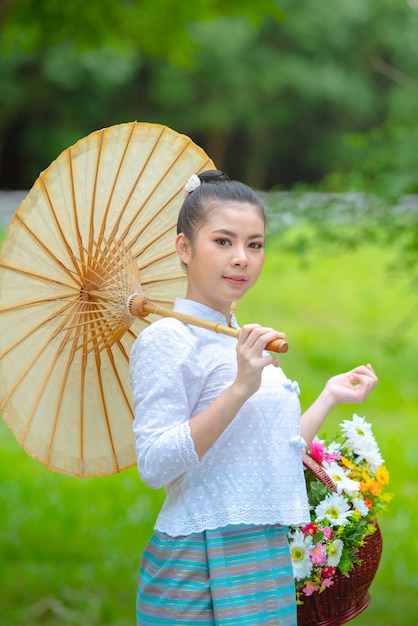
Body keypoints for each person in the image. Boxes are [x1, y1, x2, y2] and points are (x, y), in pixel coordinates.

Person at [129, 170, 378, 626]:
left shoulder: (242, 342)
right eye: (223, 241)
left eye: (255, 244)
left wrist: (328, 397)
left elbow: (266, 457)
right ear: (183, 247)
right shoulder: (167, 339)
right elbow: (154, 464)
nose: (241, 258)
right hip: (197, 561)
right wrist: (241, 387)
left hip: (263, 557)